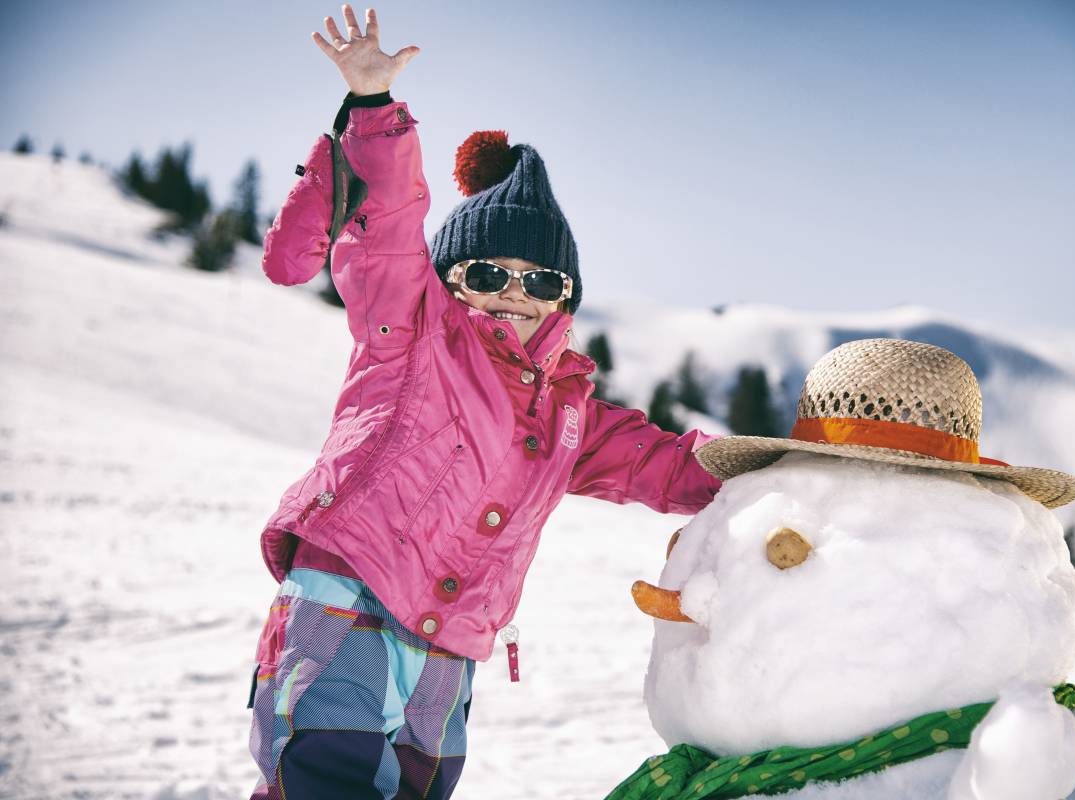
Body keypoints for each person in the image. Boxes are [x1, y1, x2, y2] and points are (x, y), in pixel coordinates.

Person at [246, 6, 721, 798]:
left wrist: (766, 476)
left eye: (538, 282)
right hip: (348, 598)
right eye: (487, 274)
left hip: (454, 641)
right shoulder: (415, 331)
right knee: (324, 781)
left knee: (418, 789)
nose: (513, 294)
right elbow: (390, 225)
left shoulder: (570, 412)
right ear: (448, 276)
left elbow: (665, 466)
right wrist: (374, 108)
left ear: (564, 299)